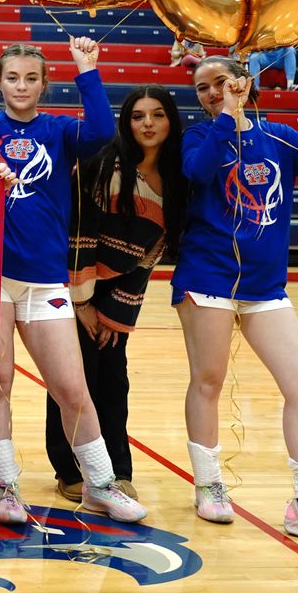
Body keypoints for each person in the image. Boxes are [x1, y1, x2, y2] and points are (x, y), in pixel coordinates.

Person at [176, 55, 298, 545]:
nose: (211, 92)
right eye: (202, 87)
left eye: (221, 82)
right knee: (208, 381)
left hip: (265, 287)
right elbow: (198, 172)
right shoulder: (198, 136)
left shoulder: (280, 136)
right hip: (208, 278)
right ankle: (209, 485)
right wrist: (227, 116)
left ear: (244, 83)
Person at [0, 38, 146, 525]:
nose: (21, 86)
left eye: (31, 78)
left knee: (71, 387)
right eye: (12, 78)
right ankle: (3, 486)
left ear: (45, 84)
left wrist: (86, 68)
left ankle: (100, 484)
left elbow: (103, 131)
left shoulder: (60, 130)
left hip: (46, 279)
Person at [46, 85, 186, 501]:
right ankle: (69, 469)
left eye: (157, 115)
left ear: (171, 121)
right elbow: (80, 234)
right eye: (138, 116)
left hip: (118, 294)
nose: (148, 124)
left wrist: (114, 313)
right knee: (74, 381)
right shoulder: (102, 164)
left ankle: (117, 470)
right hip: (76, 283)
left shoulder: (177, 178)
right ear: (126, 123)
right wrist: (83, 302)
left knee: (114, 382)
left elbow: (150, 258)